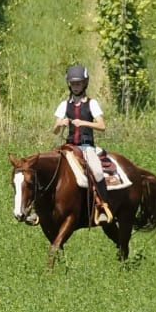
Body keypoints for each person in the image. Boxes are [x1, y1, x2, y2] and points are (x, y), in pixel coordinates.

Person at [52, 64, 113, 226]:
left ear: (85, 83)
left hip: (86, 147)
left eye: (78, 83)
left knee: (97, 172)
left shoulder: (92, 103)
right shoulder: (64, 104)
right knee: (49, 167)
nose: (75, 87)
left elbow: (102, 126)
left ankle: (103, 207)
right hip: (69, 146)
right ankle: (39, 207)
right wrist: (60, 124)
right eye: (73, 83)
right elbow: (55, 131)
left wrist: (84, 123)